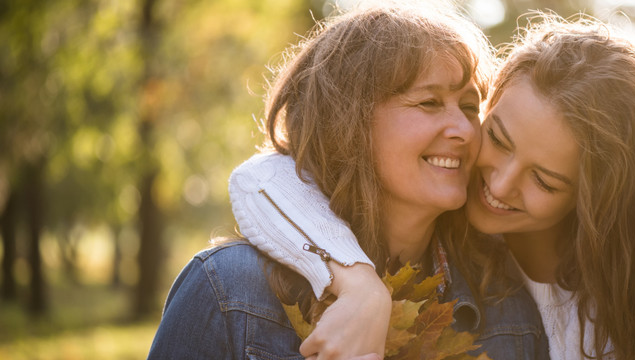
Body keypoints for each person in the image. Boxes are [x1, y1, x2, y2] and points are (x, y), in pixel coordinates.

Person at [235, 13, 635, 360]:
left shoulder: (619, 309)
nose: (498, 183)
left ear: (597, 201)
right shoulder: (446, 212)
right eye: (499, 138)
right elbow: (264, 177)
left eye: (544, 179)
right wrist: (359, 285)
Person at [148, 3, 550, 360]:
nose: (464, 129)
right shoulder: (228, 290)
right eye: (429, 102)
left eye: (468, 106)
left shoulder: (505, 309)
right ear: (347, 123)